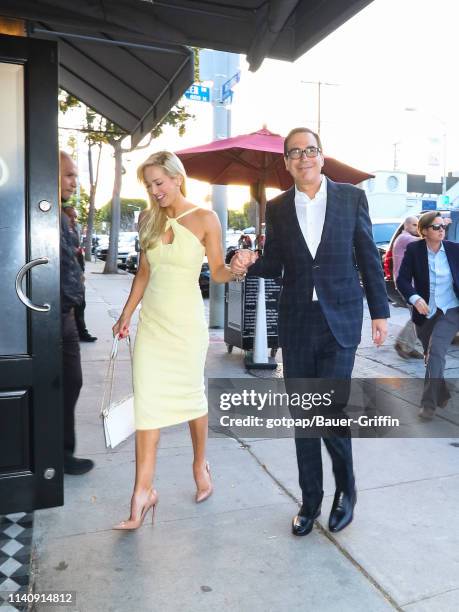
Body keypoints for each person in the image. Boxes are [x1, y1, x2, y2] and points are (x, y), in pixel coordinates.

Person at [231, 127, 389, 536]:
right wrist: (246, 261)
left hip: (340, 319)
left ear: (322, 156)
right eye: (295, 152)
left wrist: (379, 311)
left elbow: (368, 255)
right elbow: (276, 263)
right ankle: (311, 500)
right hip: (298, 321)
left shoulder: (351, 197)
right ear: (287, 163)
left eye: (310, 150)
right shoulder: (279, 206)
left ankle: (345, 490)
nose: (303, 157)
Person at [112, 151, 239, 530]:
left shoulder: (205, 218)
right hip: (153, 325)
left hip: (186, 327)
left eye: (159, 183)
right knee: (147, 402)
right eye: (149, 185)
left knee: (190, 397)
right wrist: (125, 314)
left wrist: (235, 269)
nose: (154, 191)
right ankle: (142, 493)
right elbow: (143, 273)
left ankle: (200, 463)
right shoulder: (148, 219)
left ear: (176, 178)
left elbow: (216, 272)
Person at [396, 211, 459, 420]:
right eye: (436, 227)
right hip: (424, 313)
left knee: (436, 352)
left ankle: (428, 405)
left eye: (443, 227)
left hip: (450, 310)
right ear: (424, 231)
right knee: (430, 357)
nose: (442, 230)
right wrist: (415, 298)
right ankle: (441, 394)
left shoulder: (454, 250)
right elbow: (402, 280)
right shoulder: (414, 250)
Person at [60, 151, 94, 475]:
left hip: (67, 314)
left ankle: (62, 453)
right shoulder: (43, 212)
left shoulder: (64, 213)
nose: (74, 181)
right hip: (47, 314)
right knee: (58, 383)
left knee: (71, 381)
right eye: (69, 174)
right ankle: (53, 455)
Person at [62, 206, 97, 343]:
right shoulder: (62, 232)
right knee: (72, 307)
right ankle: (78, 333)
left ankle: (82, 333)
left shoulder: (73, 230)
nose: (73, 219)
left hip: (76, 274)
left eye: (75, 217)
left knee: (80, 305)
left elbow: (78, 255)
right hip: (67, 277)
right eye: (71, 216)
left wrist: (81, 273)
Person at [392, 216, 423, 359]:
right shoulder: (405, 238)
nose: (417, 228)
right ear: (406, 226)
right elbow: (425, 240)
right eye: (415, 225)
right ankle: (402, 343)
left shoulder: (406, 239)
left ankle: (408, 346)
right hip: (406, 284)